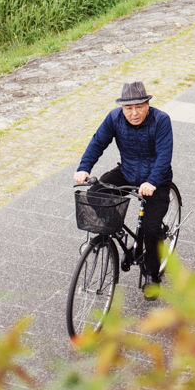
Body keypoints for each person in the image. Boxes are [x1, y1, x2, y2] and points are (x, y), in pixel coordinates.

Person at [74, 81, 173, 299]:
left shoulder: (161, 120)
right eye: (128, 108)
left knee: (150, 228)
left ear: (147, 104)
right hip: (128, 172)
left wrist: (152, 181)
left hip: (157, 179)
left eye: (139, 106)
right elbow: (97, 143)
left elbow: (164, 156)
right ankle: (112, 231)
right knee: (95, 193)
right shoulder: (114, 118)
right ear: (122, 108)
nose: (134, 113)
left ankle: (152, 275)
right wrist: (84, 168)